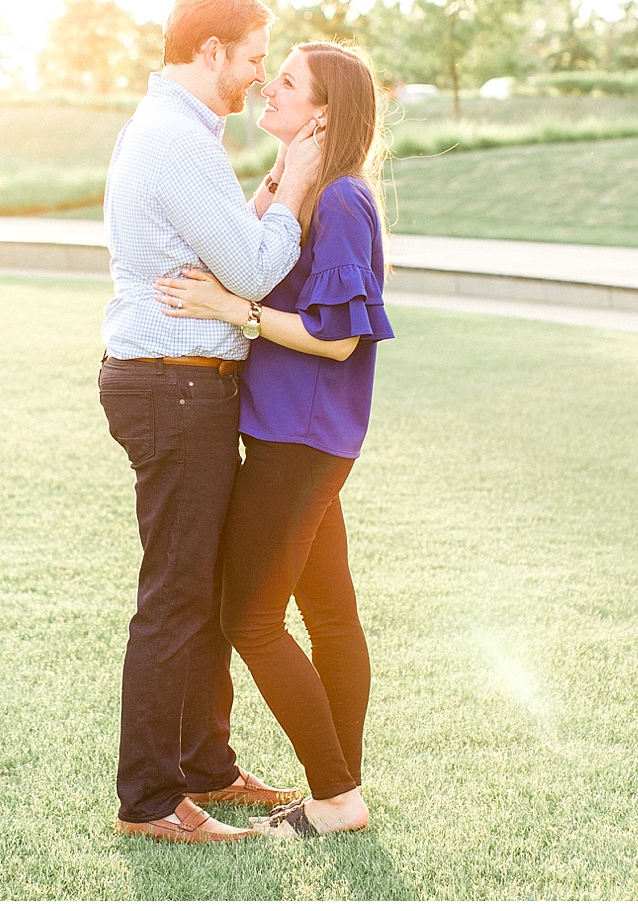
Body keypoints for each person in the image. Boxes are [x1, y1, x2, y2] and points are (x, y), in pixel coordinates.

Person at [98, 0, 329, 845]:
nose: (259, 76)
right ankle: (151, 798)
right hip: (174, 385)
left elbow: (228, 248)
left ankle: (205, 764)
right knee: (176, 593)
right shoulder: (177, 140)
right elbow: (256, 271)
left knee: (199, 588)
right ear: (211, 52)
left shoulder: (176, 130)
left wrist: (265, 193)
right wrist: (296, 186)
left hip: (181, 382)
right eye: (254, 59)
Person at [154, 41, 394, 840]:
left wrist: (235, 313)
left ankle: (335, 794)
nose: (269, 86)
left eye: (288, 82)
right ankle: (341, 790)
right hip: (295, 433)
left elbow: (338, 339)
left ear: (324, 112)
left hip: (302, 438)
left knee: (249, 617)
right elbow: (246, 256)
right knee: (329, 610)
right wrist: (282, 175)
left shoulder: (344, 200)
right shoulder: (311, 188)